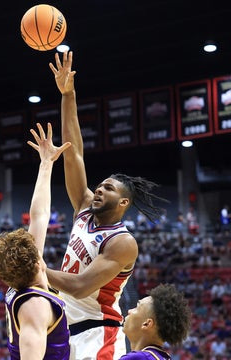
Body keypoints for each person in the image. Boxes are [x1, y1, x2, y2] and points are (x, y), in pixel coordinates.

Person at [47, 50, 165, 360]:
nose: (98, 189)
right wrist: (68, 94)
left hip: (98, 333)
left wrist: (34, 270)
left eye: (108, 188)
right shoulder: (84, 208)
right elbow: (73, 153)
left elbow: (82, 286)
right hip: (63, 329)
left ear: (123, 201)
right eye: (99, 185)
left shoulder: (123, 242)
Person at [0, 122, 71, 360]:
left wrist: (46, 164)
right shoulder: (35, 305)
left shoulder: (22, 284)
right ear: (37, 263)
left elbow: (40, 215)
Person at [121, 284, 191, 359]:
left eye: (136, 308)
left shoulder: (137, 358)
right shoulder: (165, 357)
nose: (129, 311)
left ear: (147, 324)